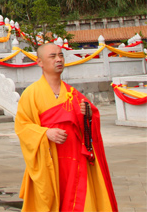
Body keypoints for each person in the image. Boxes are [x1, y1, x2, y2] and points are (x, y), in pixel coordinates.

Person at [15, 43, 117, 212]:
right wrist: (46, 132)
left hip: (75, 161)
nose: (59, 59)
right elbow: (22, 127)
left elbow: (91, 121)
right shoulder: (31, 94)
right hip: (49, 161)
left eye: (61, 55)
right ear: (40, 62)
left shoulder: (73, 94)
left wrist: (89, 115)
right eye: (53, 56)